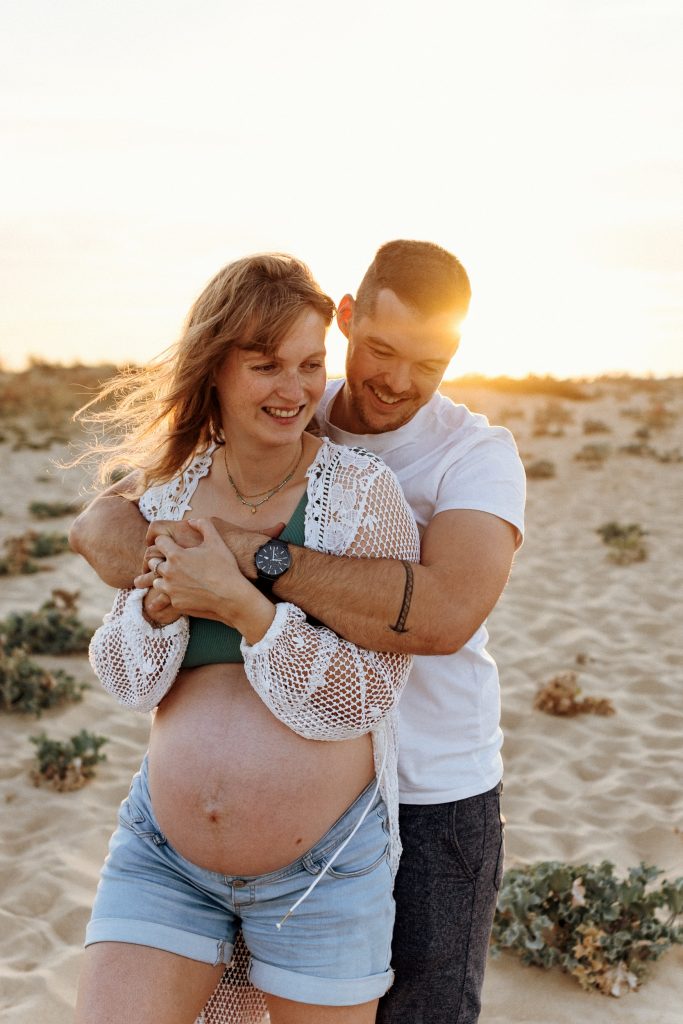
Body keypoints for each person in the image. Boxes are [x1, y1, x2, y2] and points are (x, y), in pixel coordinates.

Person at [72, 240, 527, 1024]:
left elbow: (446, 615)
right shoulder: (283, 398)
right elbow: (103, 524)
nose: (397, 380)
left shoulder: (471, 454)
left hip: (431, 787)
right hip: (198, 842)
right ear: (347, 322)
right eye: (380, 350)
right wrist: (169, 564)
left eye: (429, 362)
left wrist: (241, 561)